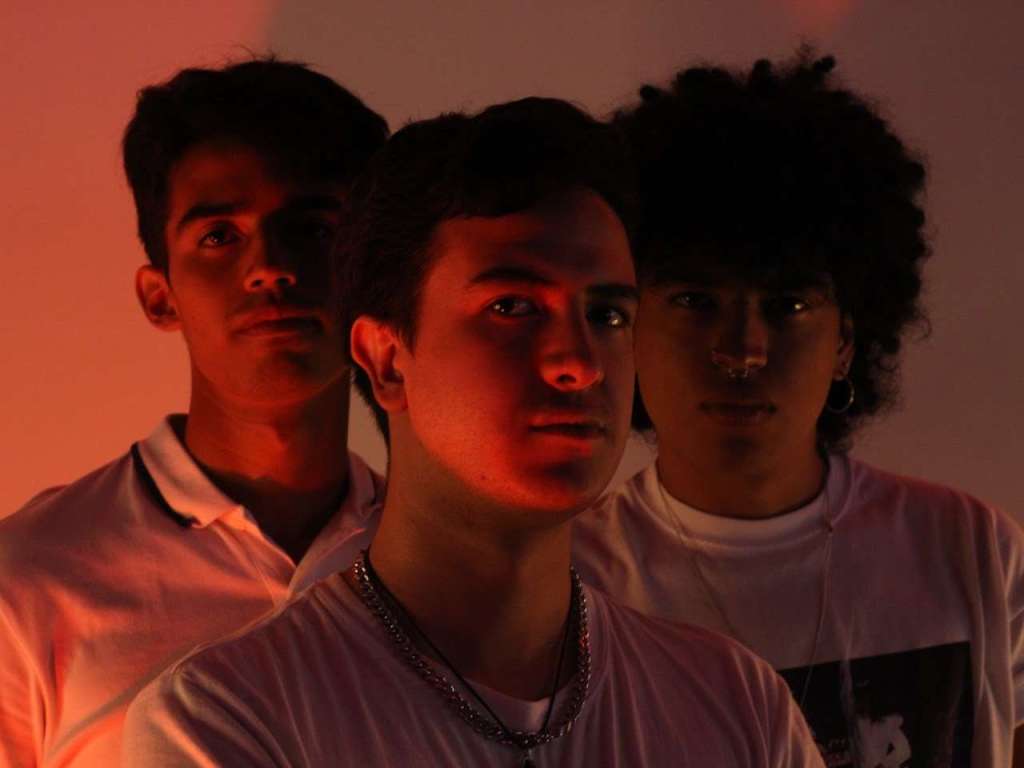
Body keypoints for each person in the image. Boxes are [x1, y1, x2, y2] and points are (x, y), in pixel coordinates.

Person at [121, 97, 824, 767]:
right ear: (386, 359)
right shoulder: (227, 718)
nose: (579, 363)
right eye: (513, 307)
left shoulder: (734, 699)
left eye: (607, 315)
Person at [572, 52, 1024, 767]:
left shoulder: (971, 550)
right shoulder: (568, 586)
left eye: (786, 306)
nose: (742, 350)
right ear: (630, 328)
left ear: (845, 341)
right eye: (695, 301)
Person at [0, 59, 388, 767]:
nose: (270, 266)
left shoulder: (441, 563)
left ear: (372, 273)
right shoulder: (27, 581)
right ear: (161, 296)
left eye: (312, 228)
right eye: (218, 236)